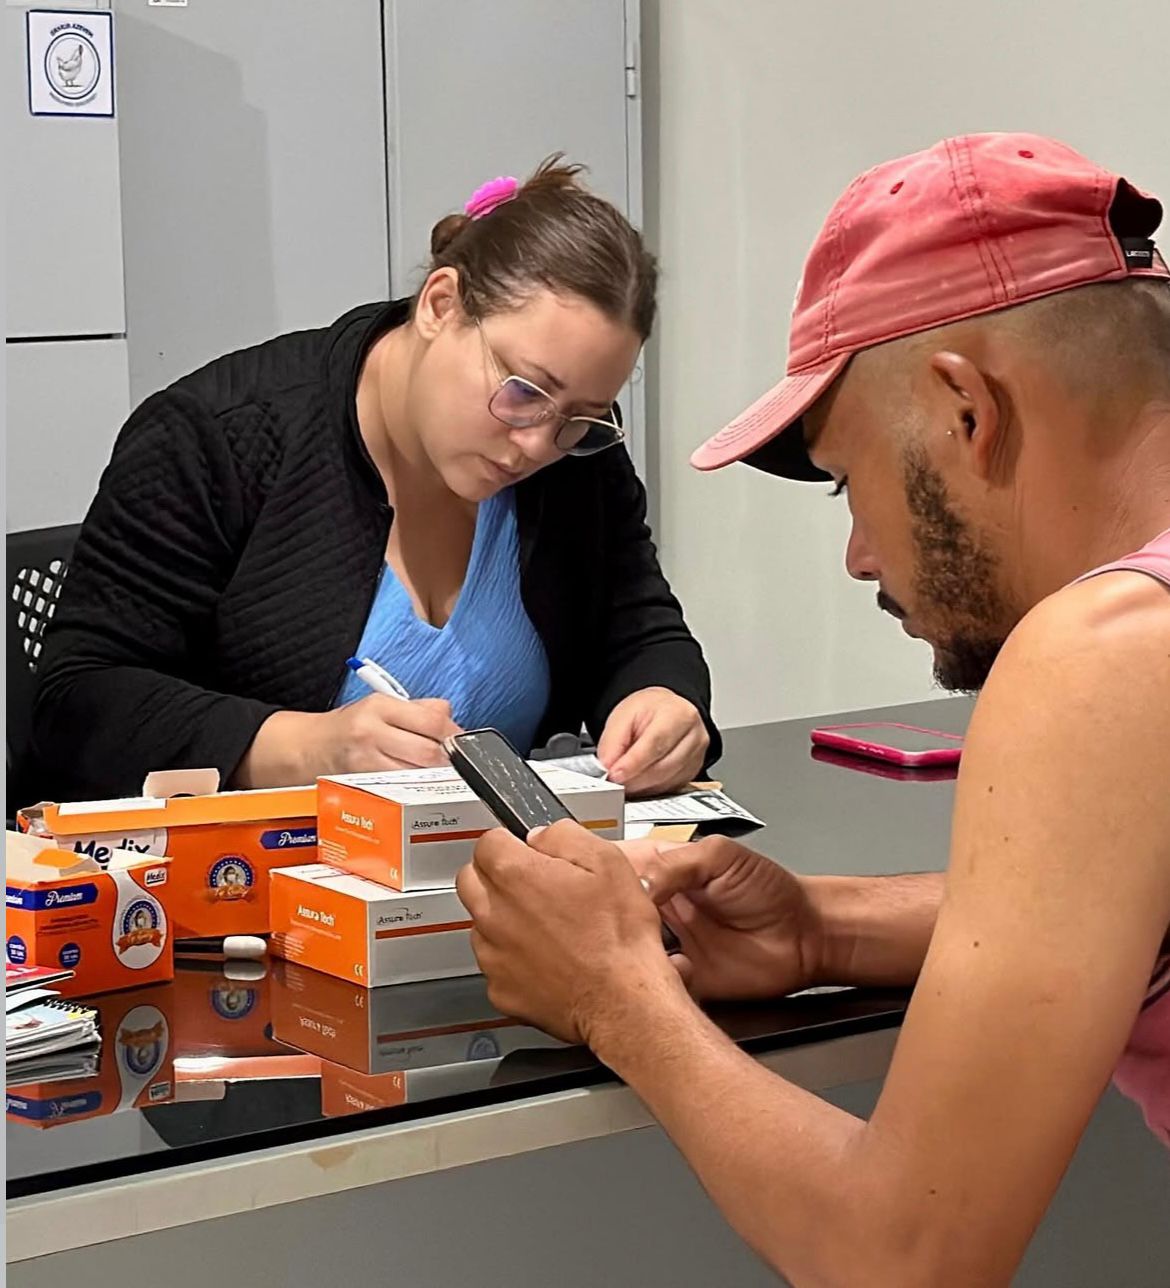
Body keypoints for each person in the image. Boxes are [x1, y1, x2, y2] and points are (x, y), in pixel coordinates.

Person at [456, 134, 1170, 1285]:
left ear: (967, 409)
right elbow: (1116, 900)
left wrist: (616, 996)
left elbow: (908, 1259)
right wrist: (824, 930)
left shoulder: (1108, 654)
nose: (858, 554)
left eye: (848, 481)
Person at [28, 157, 718, 803]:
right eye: (523, 390)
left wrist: (664, 701)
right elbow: (77, 703)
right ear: (440, 305)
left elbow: (640, 630)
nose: (538, 444)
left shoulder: (573, 460)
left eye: (582, 417)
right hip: (230, 878)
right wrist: (305, 748)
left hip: (475, 871)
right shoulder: (217, 437)